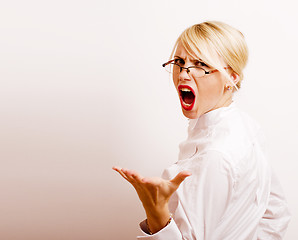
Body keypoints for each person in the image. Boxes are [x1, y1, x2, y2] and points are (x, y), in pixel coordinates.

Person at [112, 21, 291, 239]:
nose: (183, 74)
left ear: (232, 77)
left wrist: (156, 212)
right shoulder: (246, 126)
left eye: (200, 64)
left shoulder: (213, 155)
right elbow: (276, 214)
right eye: (179, 61)